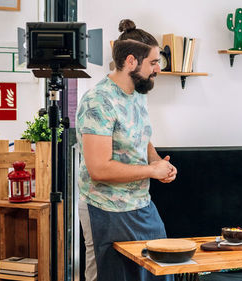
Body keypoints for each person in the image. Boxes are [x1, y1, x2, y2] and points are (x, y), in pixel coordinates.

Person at [76, 19, 177, 281]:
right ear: (131, 61)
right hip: (105, 208)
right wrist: (151, 170)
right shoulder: (98, 102)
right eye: (153, 62)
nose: (158, 69)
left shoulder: (138, 94)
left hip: (141, 205)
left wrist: (158, 164)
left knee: (160, 271)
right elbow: (99, 168)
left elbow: (141, 138)